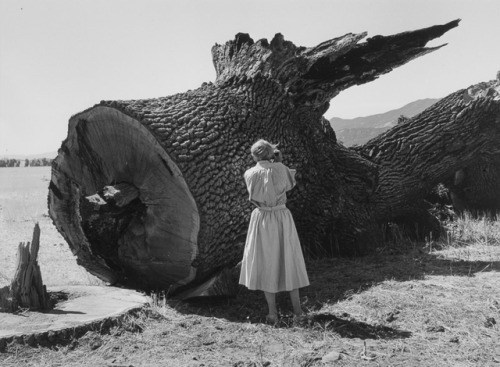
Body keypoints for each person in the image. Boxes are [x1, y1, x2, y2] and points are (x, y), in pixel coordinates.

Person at [239, 139, 310, 324]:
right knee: (289, 259)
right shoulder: (281, 168)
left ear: (254, 155)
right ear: (271, 153)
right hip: (281, 216)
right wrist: (278, 161)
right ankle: (298, 312)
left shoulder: (249, 173)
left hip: (261, 218)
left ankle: (272, 314)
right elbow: (290, 183)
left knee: (266, 261)